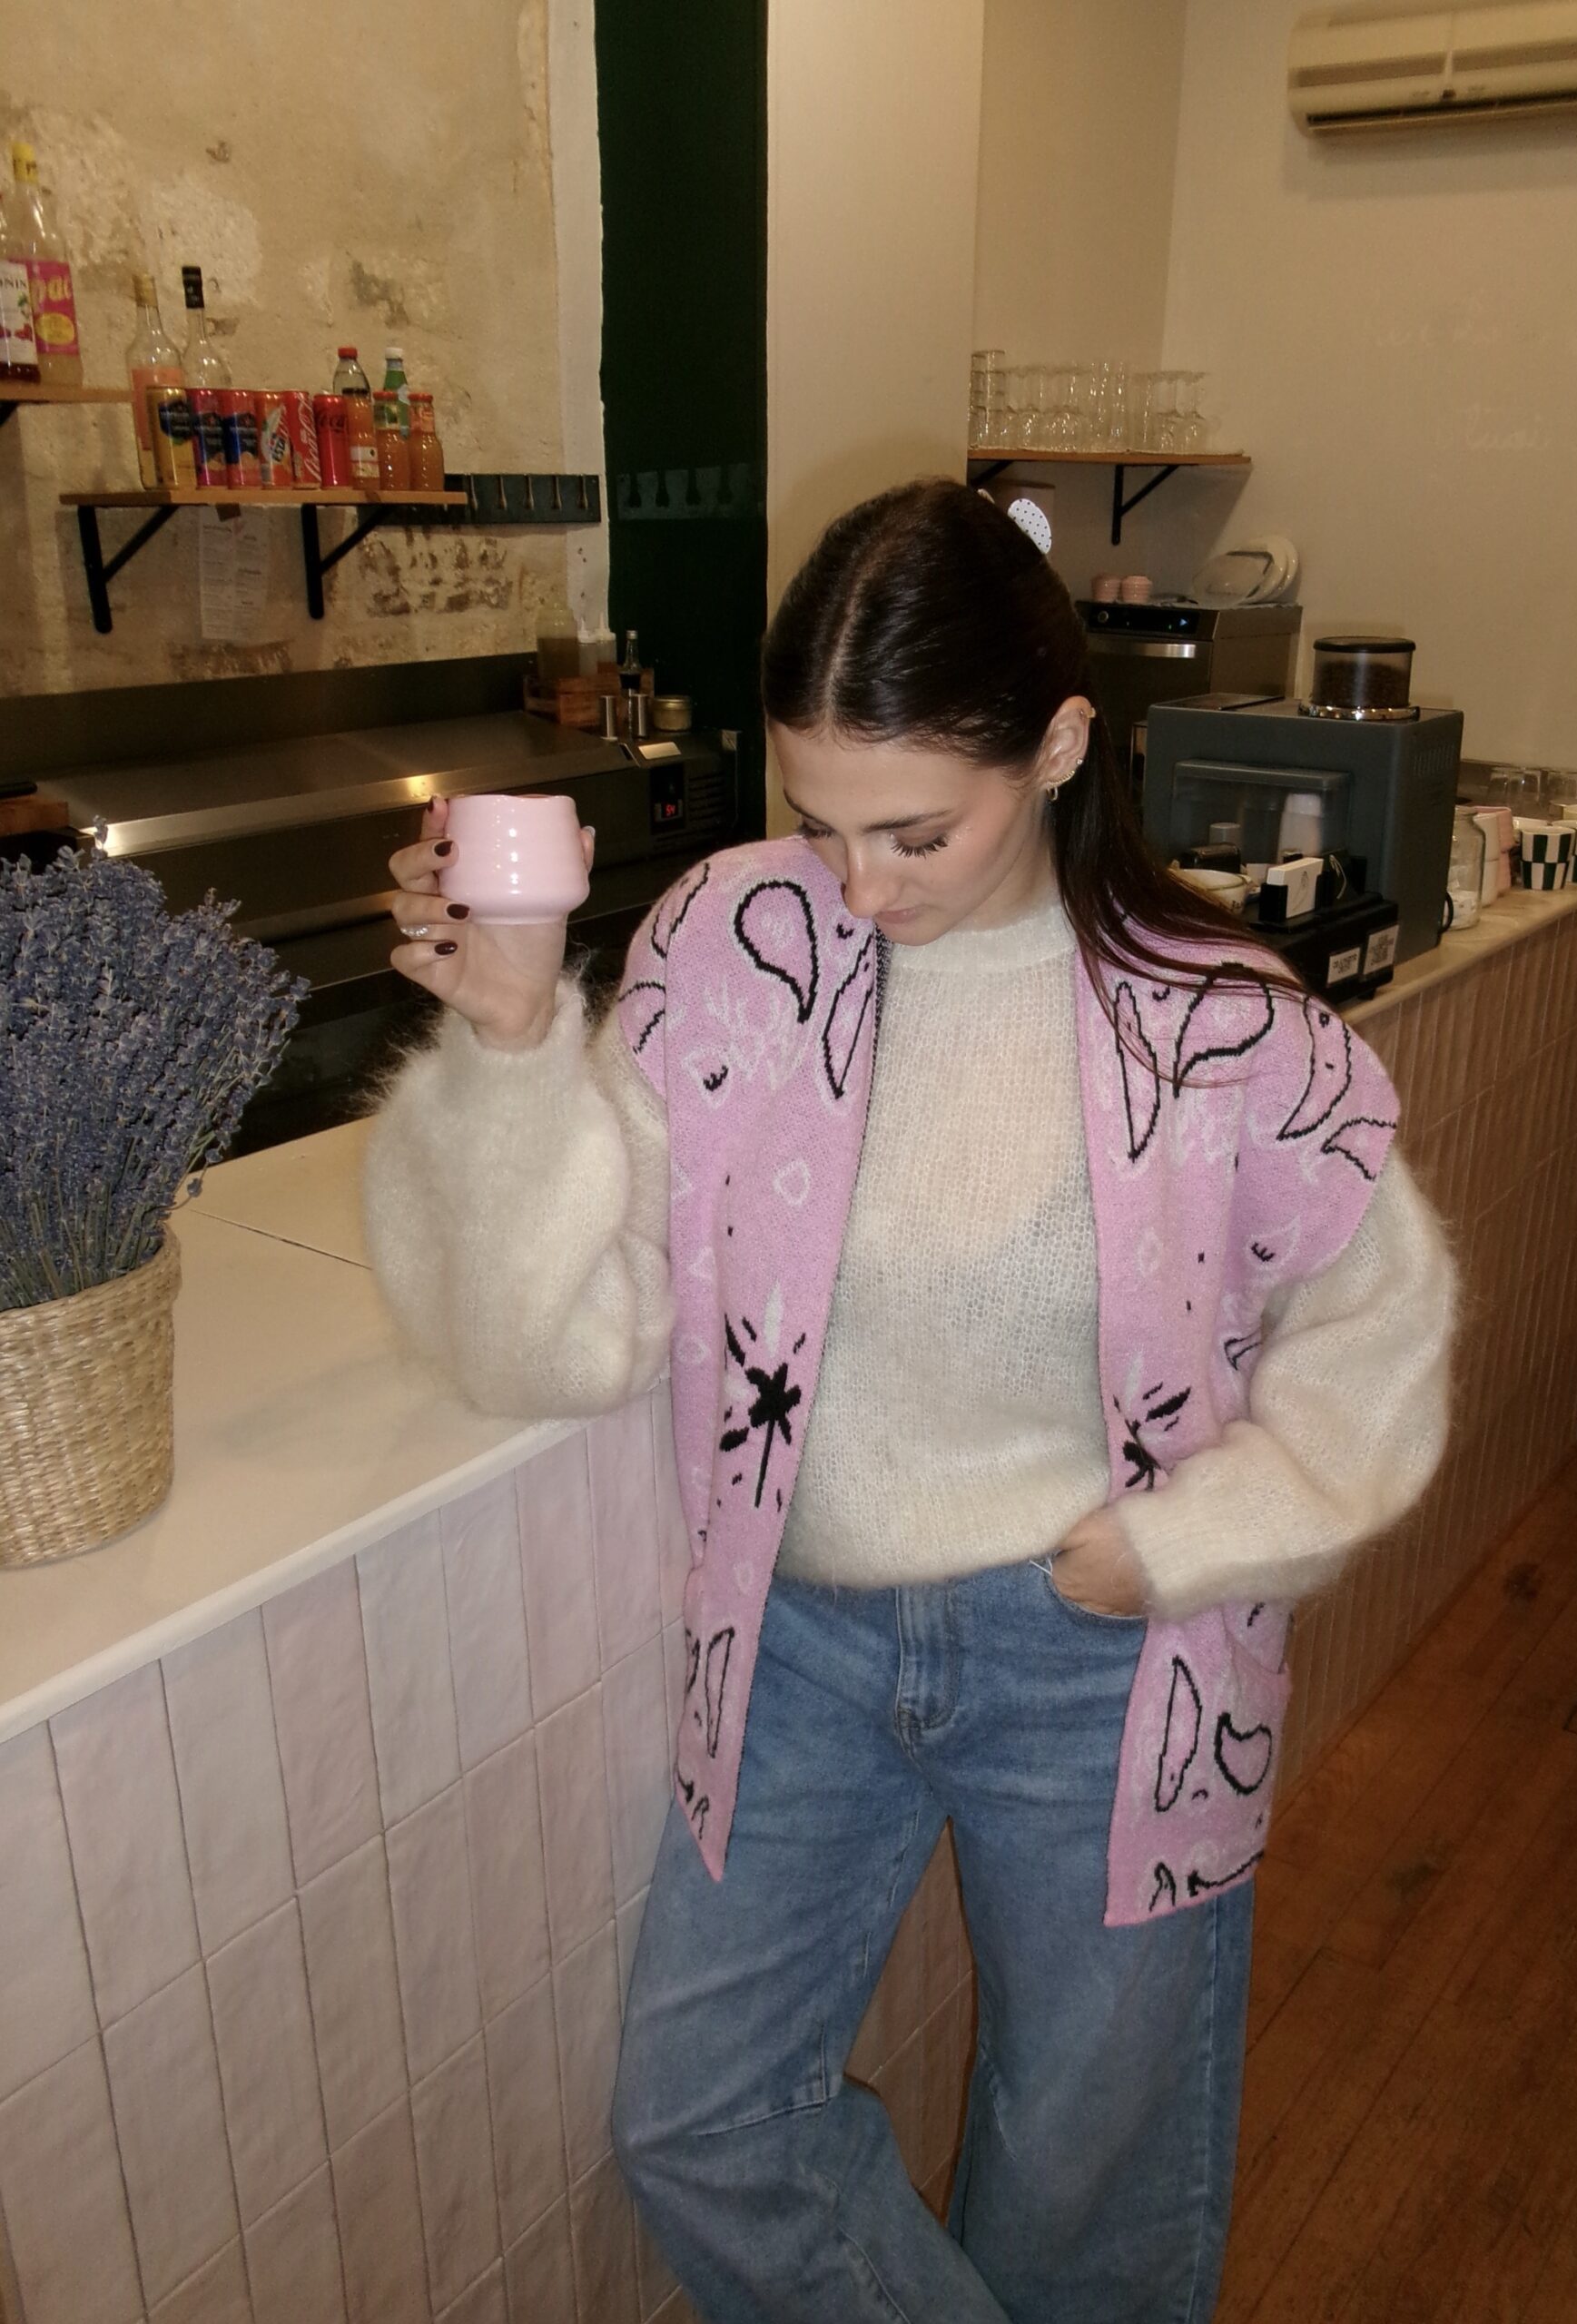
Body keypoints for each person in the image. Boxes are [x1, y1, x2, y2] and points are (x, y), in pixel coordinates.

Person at [363, 478, 1458, 2324]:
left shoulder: (1222, 1022)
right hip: (798, 1642)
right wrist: (514, 1042)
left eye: (916, 830)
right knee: (702, 2118)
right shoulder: (737, 943)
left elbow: (1384, 1327)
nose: (858, 887)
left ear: (1060, 744)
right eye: (818, 820)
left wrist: (1188, 1543)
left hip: (1098, 1657)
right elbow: (552, 1344)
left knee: (1086, 2185)